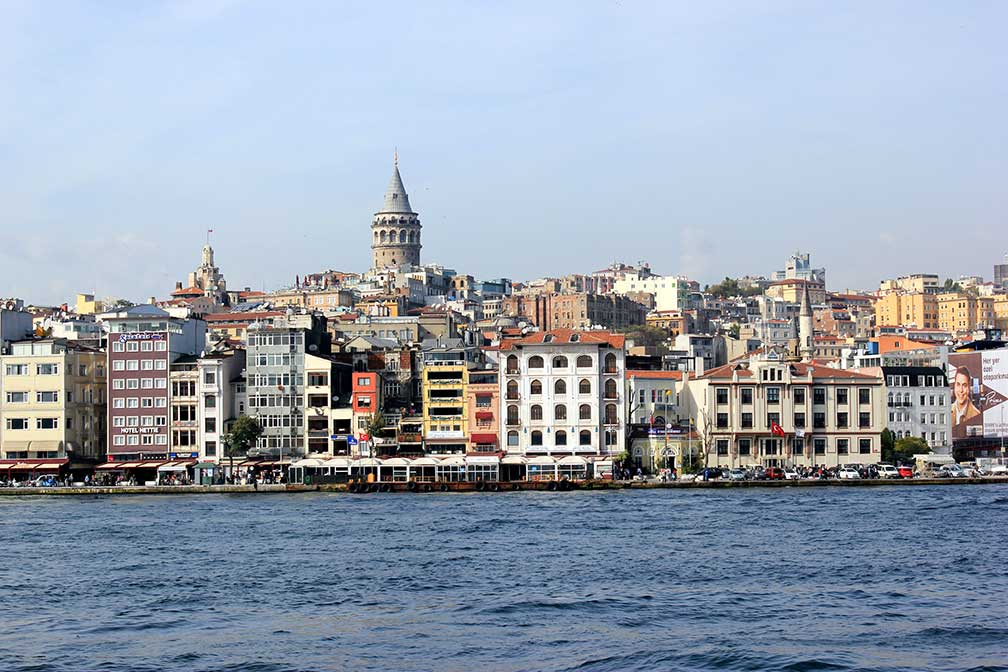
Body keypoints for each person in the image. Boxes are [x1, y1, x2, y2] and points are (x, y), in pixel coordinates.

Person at [951, 366, 981, 436]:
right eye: (958, 384)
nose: (961, 390)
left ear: (969, 387)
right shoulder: (947, 412)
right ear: (954, 386)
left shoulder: (976, 414)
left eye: (964, 385)